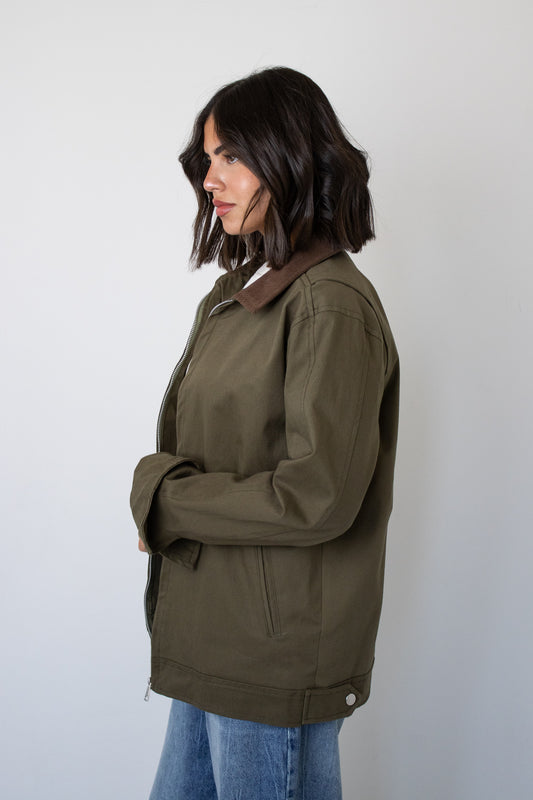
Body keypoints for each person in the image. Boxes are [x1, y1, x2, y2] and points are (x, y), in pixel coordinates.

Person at [130, 66, 399, 800]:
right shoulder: (239, 296)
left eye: (232, 156)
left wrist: (165, 499)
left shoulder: (328, 304)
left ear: (290, 157)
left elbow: (318, 496)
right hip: (213, 634)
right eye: (207, 158)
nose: (210, 179)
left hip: (270, 658)